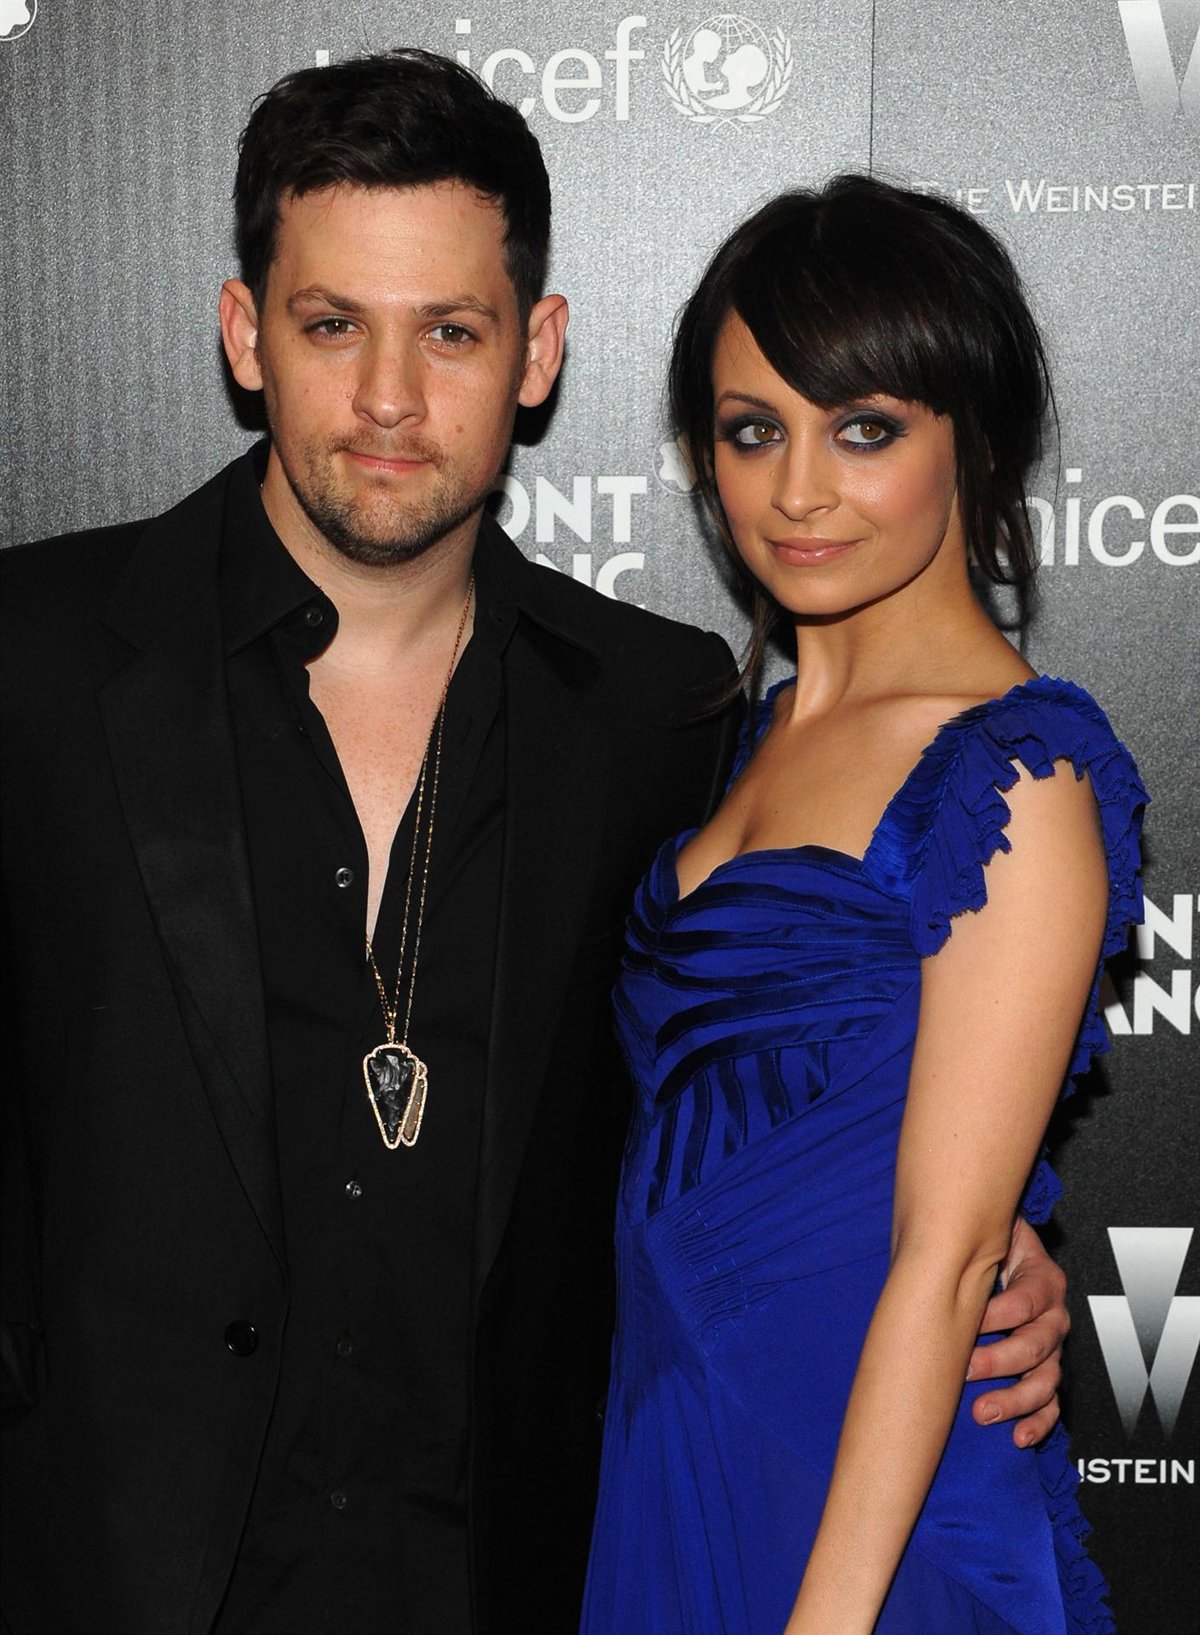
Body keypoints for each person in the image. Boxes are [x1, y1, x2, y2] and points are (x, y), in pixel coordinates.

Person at [0, 55, 1068, 1635]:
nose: (388, 398)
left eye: (449, 331)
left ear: (537, 350)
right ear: (244, 333)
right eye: (331, 325)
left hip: (535, 1578)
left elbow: (773, 1066)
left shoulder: (665, 716)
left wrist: (986, 1247)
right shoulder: (32, 665)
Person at [582, 176, 1146, 1635]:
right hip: (682, 1432)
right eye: (751, 430)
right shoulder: (744, 736)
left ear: (976, 440)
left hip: (873, 1507)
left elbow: (947, 1261)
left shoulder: (1016, 772)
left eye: (866, 429)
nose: (798, 490)